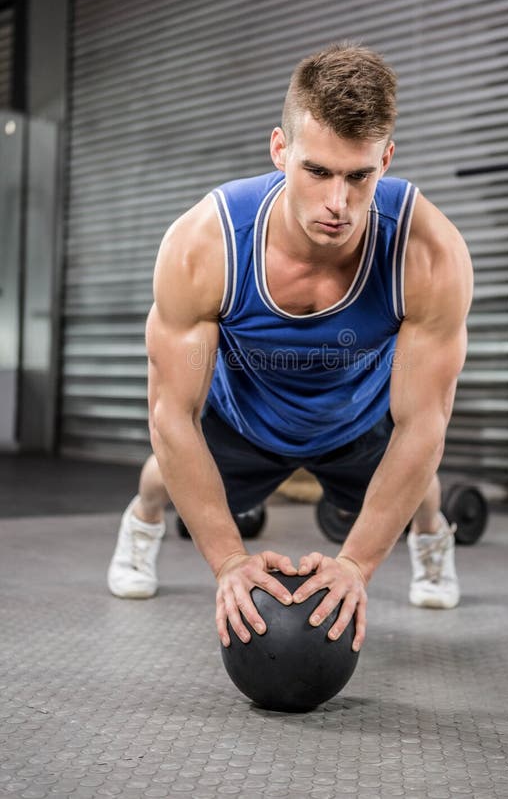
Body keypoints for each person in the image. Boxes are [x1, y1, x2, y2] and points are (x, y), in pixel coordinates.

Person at [107, 43, 473, 654]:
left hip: (355, 418)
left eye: (360, 176)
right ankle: (139, 526)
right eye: (317, 171)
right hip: (245, 418)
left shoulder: (426, 253)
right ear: (281, 150)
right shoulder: (208, 244)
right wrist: (227, 561)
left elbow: (422, 424)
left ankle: (433, 542)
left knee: (423, 489)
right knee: (159, 479)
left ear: (386, 159)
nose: (338, 203)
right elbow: (173, 414)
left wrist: (355, 564)